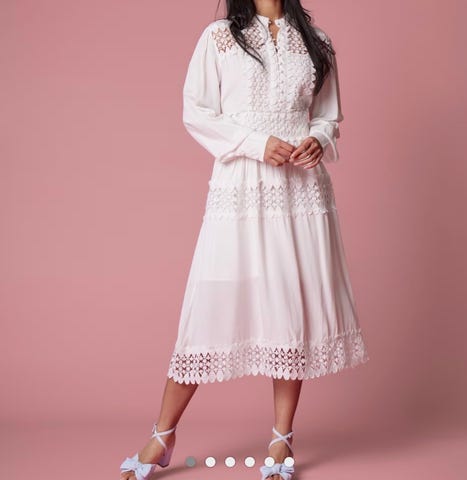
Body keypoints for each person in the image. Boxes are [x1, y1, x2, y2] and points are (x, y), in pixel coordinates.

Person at [120, 1, 370, 479]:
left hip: (300, 193)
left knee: (291, 311)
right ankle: (163, 434)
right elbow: (196, 111)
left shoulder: (317, 42)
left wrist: (318, 140)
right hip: (240, 190)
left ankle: (281, 440)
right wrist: (256, 144)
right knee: (209, 309)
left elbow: (327, 116)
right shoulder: (219, 38)